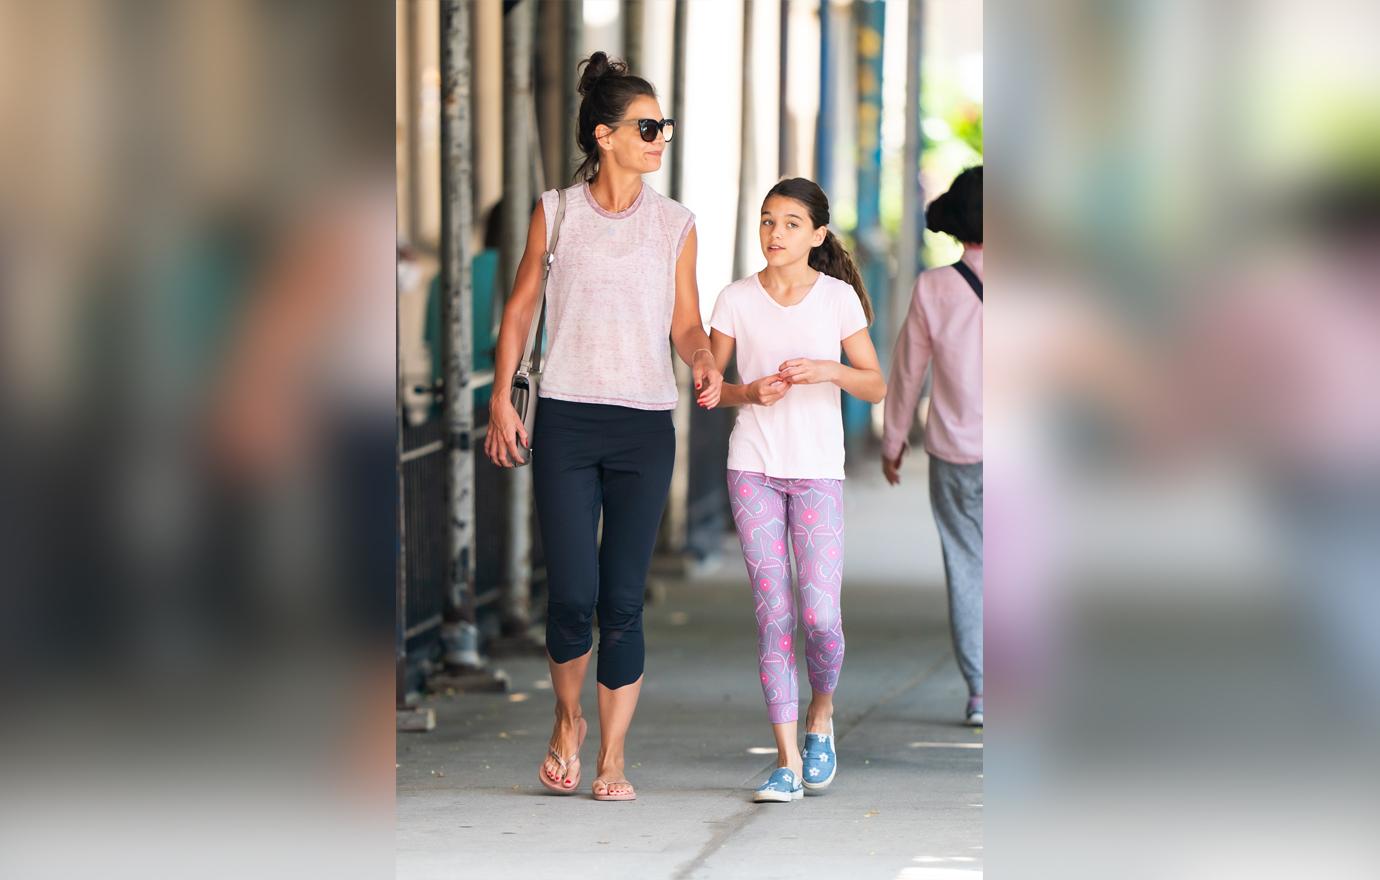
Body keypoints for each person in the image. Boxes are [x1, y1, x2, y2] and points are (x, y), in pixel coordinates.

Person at [484, 52, 723, 802]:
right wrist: (499, 395)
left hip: (645, 425)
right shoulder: (555, 212)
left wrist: (705, 359)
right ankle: (566, 721)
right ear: (606, 135)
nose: (661, 138)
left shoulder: (675, 224)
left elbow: (686, 321)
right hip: (566, 419)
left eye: (665, 127)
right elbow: (521, 307)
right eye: (648, 127)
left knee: (622, 597)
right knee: (571, 593)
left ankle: (613, 757)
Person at [706, 178, 886, 803]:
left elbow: (875, 386)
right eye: (766, 221)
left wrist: (829, 370)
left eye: (788, 223)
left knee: (820, 616)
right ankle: (784, 761)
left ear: (817, 235)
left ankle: (821, 716)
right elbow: (709, 389)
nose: (774, 233)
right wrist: (745, 392)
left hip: (816, 471)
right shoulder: (734, 299)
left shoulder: (837, 300)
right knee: (774, 614)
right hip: (752, 463)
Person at [881, 166, 984, 726]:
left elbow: (907, 372)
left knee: (968, 564)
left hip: (957, 452)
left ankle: (982, 692)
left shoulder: (935, 288)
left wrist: (893, 441)